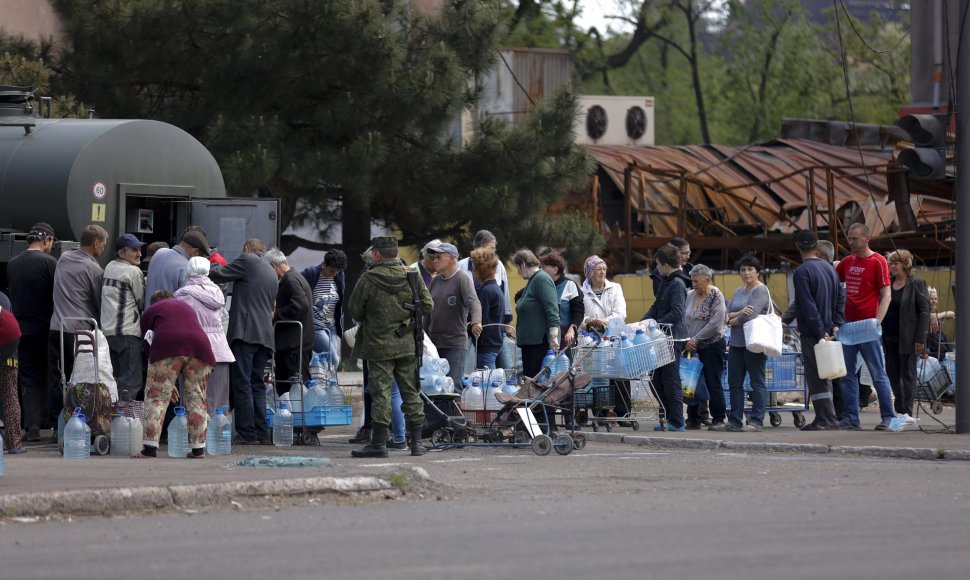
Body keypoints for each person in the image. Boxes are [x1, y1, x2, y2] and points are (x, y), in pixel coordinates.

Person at [348, 236, 434, 458]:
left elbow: (355, 310)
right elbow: (427, 305)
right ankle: (416, 443)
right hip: (406, 345)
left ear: (377, 254)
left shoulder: (369, 278)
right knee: (411, 391)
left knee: (381, 393)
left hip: (378, 347)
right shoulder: (411, 276)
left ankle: (378, 444)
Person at [209, 238, 278, 445]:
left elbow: (218, 274)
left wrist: (209, 261)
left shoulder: (247, 260)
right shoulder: (271, 270)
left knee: (242, 383)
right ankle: (261, 433)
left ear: (246, 248)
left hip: (246, 332)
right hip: (265, 336)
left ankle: (247, 433)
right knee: (257, 384)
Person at [138, 291, 215, 458]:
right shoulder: (186, 307)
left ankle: (150, 449)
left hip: (167, 346)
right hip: (200, 348)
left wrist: (164, 381)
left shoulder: (152, 310)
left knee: (157, 396)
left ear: (154, 303)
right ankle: (198, 449)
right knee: (197, 397)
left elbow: (146, 344)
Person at [835, 223, 896, 431]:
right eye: (849, 238)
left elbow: (886, 294)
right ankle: (851, 418)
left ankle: (889, 417)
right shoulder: (846, 262)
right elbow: (835, 282)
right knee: (846, 374)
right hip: (847, 326)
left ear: (865, 239)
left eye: (854, 238)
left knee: (877, 373)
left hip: (867, 327)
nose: (850, 242)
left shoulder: (878, 261)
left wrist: (876, 322)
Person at [49, 224, 107, 426]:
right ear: (96, 243)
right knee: (79, 379)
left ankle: (58, 424)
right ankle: (79, 421)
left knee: (58, 378)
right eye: (103, 245)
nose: (103, 249)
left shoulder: (63, 259)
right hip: (80, 332)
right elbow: (100, 302)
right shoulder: (94, 269)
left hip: (57, 327)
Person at [5, 222, 58, 441]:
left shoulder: (12, 263)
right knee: (50, 375)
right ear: (46, 240)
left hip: (20, 330)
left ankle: (32, 426)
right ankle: (51, 423)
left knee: (28, 378)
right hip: (46, 328)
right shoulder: (50, 263)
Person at [787, 230, 844, 430]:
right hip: (830, 331)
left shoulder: (802, 272)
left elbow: (807, 306)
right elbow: (840, 298)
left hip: (814, 334)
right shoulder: (830, 269)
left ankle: (825, 419)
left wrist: (820, 332)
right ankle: (829, 417)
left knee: (816, 376)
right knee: (827, 374)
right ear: (817, 247)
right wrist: (835, 324)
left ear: (797, 246)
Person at [715, 255, 770, 432]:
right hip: (737, 344)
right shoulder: (739, 291)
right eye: (743, 270)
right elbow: (727, 314)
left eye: (750, 269)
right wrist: (736, 314)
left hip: (754, 343)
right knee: (734, 383)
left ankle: (756, 421)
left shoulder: (761, 290)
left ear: (757, 272)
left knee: (757, 382)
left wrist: (732, 319)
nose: (746, 273)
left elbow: (749, 316)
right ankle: (735, 420)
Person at [174, 257, 235, 415]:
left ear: (188, 272)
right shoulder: (218, 294)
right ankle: (218, 437)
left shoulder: (182, 295)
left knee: (193, 400)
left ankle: (195, 438)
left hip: (194, 352)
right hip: (220, 352)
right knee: (219, 403)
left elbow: (179, 326)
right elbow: (224, 320)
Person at [644, 245, 690, 431]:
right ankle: (668, 416)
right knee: (656, 379)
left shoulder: (678, 284)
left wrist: (657, 323)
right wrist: (643, 322)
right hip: (662, 337)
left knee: (671, 380)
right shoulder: (666, 281)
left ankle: (677, 420)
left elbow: (677, 312)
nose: (657, 268)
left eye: (658, 265)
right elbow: (656, 306)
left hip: (674, 338)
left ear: (664, 264)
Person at [580, 255, 630, 422]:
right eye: (598, 269)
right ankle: (601, 412)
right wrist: (588, 321)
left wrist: (603, 322)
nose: (602, 271)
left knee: (619, 373)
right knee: (597, 374)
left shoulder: (615, 288)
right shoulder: (583, 292)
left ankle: (623, 413)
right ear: (589, 273)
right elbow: (581, 315)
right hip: (592, 339)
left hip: (614, 336)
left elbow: (620, 313)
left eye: (604, 268)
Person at [882, 249, 930, 417]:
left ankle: (907, 412)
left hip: (909, 338)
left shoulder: (916, 282)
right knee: (892, 372)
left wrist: (920, 338)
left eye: (896, 263)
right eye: (891, 263)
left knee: (907, 374)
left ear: (905, 264)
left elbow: (924, 311)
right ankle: (900, 407)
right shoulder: (888, 282)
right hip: (888, 336)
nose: (892, 266)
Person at [428, 242, 482, 388]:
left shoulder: (462, 279)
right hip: (433, 344)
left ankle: (454, 411)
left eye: (439, 256)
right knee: (435, 386)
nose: (435, 260)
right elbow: (427, 310)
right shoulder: (435, 281)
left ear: (452, 259)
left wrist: (476, 322)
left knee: (452, 385)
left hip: (454, 344)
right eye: (433, 257)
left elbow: (474, 303)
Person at [100, 233, 146, 399]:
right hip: (128, 333)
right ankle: (124, 420)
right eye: (134, 250)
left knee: (112, 380)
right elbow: (141, 301)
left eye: (139, 249)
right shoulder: (134, 271)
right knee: (130, 383)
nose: (139, 254)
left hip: (107, 333)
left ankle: (111, 418)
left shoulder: (109, 267)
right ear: (121, 252)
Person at [458, 230, 513, 368]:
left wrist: (507, 320)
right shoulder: (461, 266)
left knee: (496, 370)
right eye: (489, 248)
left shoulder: (497, 267)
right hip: (468, 328)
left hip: (486, 333)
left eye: (494, 249)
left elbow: (504, 292)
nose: (492, 252)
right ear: (475, 247)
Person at [682, 264, 726, 430]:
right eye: (692, 280)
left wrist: (696, 339)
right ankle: (693, 418)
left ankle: (719, 418)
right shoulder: (690, 295)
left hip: (712, 345)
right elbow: (683, 317)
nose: (694, 284)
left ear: (707, 280)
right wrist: (688, 340)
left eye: (697, 281)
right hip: (691, 346)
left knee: (712, 381)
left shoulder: (716, 295)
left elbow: (716, 322)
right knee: (690, 382)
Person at [266, 248, 314, 392]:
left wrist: (276, 314)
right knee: (289, 390)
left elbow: (301, 305)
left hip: (294, 345)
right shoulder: (294, 277)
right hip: (294, 343)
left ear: (273, 266)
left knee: (296, 390)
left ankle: (297, 415)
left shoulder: (290, 280)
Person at [512, 249, 560, 378]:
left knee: (536, 383)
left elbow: (552, 309)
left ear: (523, 264)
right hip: (530, 344)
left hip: (539, 344)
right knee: (530, 382)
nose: (518, 272)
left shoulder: (541, 279)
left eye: (517, 267)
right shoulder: (533, 280)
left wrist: (553, 337)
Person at [300, 250, 347, 368]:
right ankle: (326, 386)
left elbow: (339, 299)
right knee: (333, 360)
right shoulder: (310, 274)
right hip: (315, 326)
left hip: (331, 325)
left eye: (338, 271)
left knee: (328, 364)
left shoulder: (340, 276)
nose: (335, 274)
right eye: (332, 270)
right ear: (324, 264)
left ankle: (326, 385)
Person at [144, 229, 211, 309]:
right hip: (167, 317)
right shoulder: (187, 268)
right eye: (201, 256)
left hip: (148, 315)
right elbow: (187, 304)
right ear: (195, 252)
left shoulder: (159, 252)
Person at [540, 251, 584, 351]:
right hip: (543, 339)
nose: (541, 272)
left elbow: (579, 312)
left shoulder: (570, 285)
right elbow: (519, 295)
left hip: (565, 338)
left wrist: (572, 330)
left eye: (544, 268)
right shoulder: (540, 284)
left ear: (555, 270)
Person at [470, 247, 506, 370]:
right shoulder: (495, 288)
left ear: (480, 270)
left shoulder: (486, 291)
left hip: (487, 344)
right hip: (494, 342)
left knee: (488, 382)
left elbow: (481, 318)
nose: (472, 270)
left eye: (474, 267)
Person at [1, 291, 25, 454]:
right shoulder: (3, 297)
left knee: (9, 397)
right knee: (9, 396)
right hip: (9, 355)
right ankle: (14, 443)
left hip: (5, 349)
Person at [926, 286, 953, 357]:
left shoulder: (934, 315)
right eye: (931, 299)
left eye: (935, 299)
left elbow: (952, 313)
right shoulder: (923, 314)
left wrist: (936, 316)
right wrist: (932, 316)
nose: (934, 301)